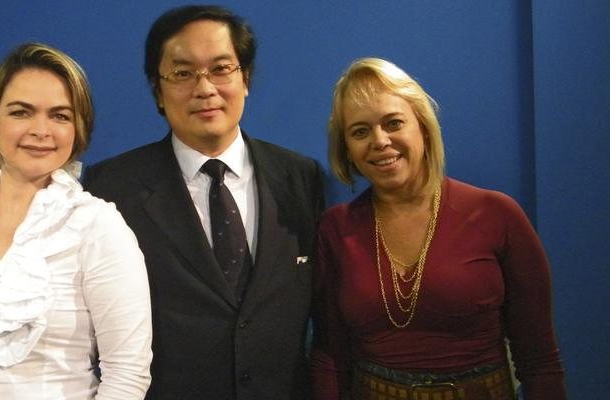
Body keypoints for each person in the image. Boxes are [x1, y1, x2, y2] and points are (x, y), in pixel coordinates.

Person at [82, 5, 325, 400]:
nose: (205, 88)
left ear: (245, 79)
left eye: (221, 68)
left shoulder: (301, 177)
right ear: (158, 92)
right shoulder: (111, 188)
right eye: (182, 73)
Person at [0, 43, 153, 399]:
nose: (41, 130)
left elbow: (127, 374)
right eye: (21, 112)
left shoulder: (98, 227)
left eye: (60, 116)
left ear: (78, 130)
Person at [311, 57, 567, 400]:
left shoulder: (497, 215)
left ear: (423, 126)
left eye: (393, 123)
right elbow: (330, 357)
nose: (380, 140)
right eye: (360, 131)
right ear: (347, 150)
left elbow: (540, 360)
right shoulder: (336, 228)